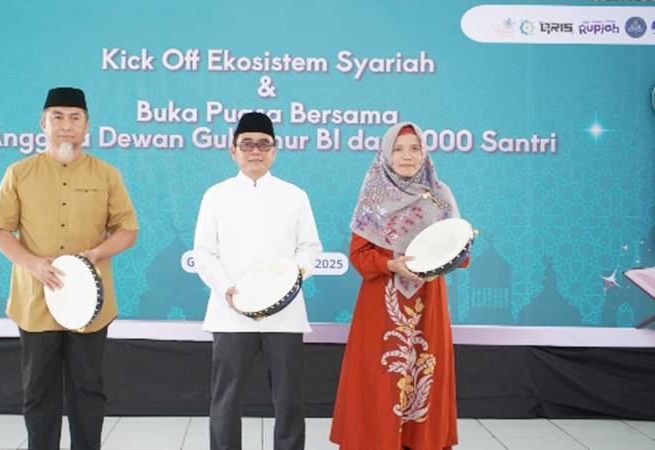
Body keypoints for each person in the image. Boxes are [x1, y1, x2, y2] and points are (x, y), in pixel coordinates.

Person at [0, 87, 138, 450]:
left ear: (87, 127)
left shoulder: (107, 175)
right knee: (38, 392)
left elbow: (128, 231)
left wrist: (97, 253)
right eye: (58, 117)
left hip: (90, 303)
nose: (66, 126)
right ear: (43, 124)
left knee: (88, 389)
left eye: (74, 118)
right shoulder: (19, 173)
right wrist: (32, 263)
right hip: (36, 299)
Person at [330, 122, 467, 450]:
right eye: (398, 148)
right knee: (380, 378)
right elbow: (359, 255)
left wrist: (451, 252)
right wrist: (390, 264)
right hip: (382, 302)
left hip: (427, 301)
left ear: (425, 154)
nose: (407, 156)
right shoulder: (374, 197)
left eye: (414, 148)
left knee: (425, 372)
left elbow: (460, 254)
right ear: (386, 154)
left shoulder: (439, 196)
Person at [193, 112, 323, 450]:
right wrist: (227, 290)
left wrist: (286, 282)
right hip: (231, 312)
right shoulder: (215, 196)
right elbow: (204, 253)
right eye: (247, 144)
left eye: (263, 144)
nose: (255, 151)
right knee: (226, 399)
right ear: (232, 150)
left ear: (275, 151)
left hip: (285, 314)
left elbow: (310, 248)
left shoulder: (295, 196)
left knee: (289, 399)